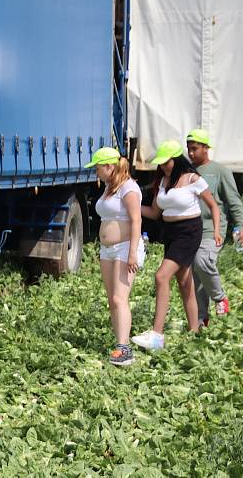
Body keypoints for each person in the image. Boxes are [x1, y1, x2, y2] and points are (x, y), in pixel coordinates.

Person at [132, 140, 222, 351]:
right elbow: (155, 213)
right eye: (161, 163)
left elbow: (213, 206)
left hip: (189, 233)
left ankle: (157, 335)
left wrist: (217, 231)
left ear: (177, 159)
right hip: (170, 233)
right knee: (184, 282)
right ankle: (195, 331)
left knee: (161, 276)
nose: (163, 166)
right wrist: (132, 206)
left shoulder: (192, 179)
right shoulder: (163, 181)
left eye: (167, 162)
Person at [84, 147, 145, 366]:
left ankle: (124, 348)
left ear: (110, 166)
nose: (96, 173)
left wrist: (132, 253)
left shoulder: (128, 188)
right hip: (107, 250)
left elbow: (136, 220)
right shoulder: (110, 186)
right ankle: (119, 344)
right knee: (112, 301)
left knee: (120, 299)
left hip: (125, 248)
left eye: (98, 168)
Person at [186, 129, 243, 326]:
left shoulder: (220, 171)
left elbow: (234, 201)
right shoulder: (188, 172)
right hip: (191, 229)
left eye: (195, 148)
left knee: (202, 261)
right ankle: (202, 318)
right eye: (188, 149)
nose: (191, 153)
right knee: (195, 274)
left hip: (213, 229)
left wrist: (240, 226)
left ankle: (220, 298)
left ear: (206, 148)